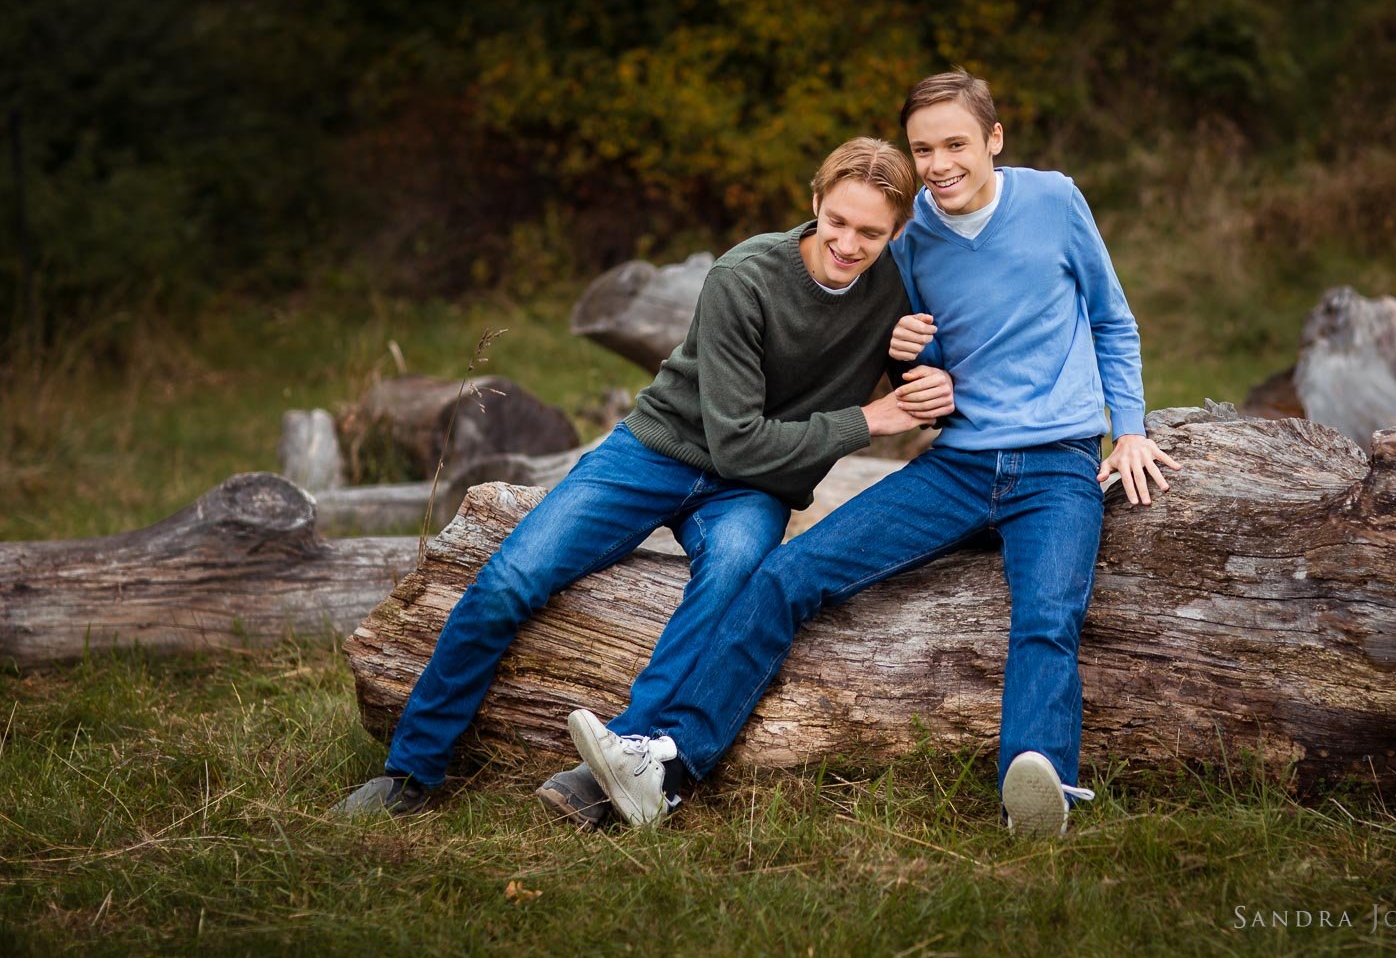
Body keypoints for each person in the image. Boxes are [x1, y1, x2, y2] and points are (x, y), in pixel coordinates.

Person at [569, 70, 1181, 836]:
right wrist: (907, 352)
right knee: (790, 572)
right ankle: (668, 765)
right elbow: (920, 356)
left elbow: (1113, 320)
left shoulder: (1055, 202)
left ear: (994, 139)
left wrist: (1129, 427)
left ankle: (1040, 788)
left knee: (1047, 617)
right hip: (957, 466)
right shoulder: (911, 231)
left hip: (1057, 461)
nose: (940, 163)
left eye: (956, 143)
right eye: (924, 148)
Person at [332, 137, 954, 825]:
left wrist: (923, 367)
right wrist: (866, 419)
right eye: (837, 221)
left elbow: (925, 388)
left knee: (731, 578)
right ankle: (411, 773)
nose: (848, 242)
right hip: (659, 451)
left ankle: (617, 767)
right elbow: (738, 439)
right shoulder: (744, 277)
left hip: (754, 491)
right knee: (512, 579)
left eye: (871, 232)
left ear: (897, 232)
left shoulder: (900, 287)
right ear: (814, 203)